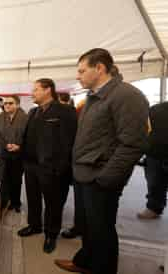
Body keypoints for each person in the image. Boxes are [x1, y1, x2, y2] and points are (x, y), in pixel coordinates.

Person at [55, 48, 149, 274]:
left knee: (102, 230)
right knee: (89, 227)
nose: (77, 76)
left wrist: (106, 179)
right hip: (85, 175)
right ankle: (85, 262)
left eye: (81, 70)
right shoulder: (94, 95)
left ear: (99, 68)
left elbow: (132, 144)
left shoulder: (127, 96)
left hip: (101, 179)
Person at [18, 78, 77, 254]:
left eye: (36, 89)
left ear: (47, 90)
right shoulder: (33, 112)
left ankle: (51, 234)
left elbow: (69, 142)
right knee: (33, 199)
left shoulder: (66, 111)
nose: (32, 93)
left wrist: (61, 168)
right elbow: (29, 137)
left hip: (52, 169)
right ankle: (34, 225)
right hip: (31, 166)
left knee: (53, 203)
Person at [0, 95, 28, 212]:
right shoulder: (0, 117)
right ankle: (6, 201)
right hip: (4, 153)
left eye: (10, 103)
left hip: (19, 154)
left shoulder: (25, 118)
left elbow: (30, 135)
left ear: (17, 104)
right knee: (4, 179)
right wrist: (4, 145)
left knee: (16, 180)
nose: (7, 105)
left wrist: (19, 146)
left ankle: (16, 202)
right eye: (5, 103)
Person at [137, 101, 168, 219]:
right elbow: (144, 128)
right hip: (154, 153)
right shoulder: (155, 108)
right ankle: (153, 208)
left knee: (155, 182)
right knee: (154, 183)